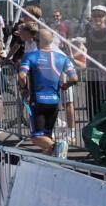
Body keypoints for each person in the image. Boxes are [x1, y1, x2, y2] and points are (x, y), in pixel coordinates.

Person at [18, 28, 78, 158]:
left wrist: (24, 89)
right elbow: (74, 78)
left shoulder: (30, 56)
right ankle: (53, 161)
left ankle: (59, 146)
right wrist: (65, 85)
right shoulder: (62, 57)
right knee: (46, 135)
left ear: (37, 41)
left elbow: (22, 76)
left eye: (35, 39)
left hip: (37, 101)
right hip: (54, 102)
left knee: (36, 137)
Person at [83, 4, 106, 118]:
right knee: (93, 105)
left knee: (104, 104)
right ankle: (92, 131)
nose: (97, 17)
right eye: (95, 15)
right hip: (92, 73)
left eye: (100, 15)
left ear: (105, 17)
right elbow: (88, 50)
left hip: (105, 74)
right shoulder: (89, 33)